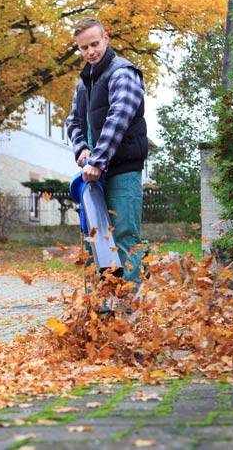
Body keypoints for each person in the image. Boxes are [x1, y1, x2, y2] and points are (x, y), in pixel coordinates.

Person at [66, 17, 148, 302]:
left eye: (94, 44)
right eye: (83, 47)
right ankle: (99, 313)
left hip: (122, 173)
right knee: (94, 245)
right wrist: (82, 150)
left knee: (124, 239)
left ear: (106, 39)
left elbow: (119, 118)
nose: (90, 52)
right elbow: (73, 122)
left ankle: (130, 318)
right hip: (94, 176)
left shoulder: (123, 73)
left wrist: (97, 160)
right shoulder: (84, 82)